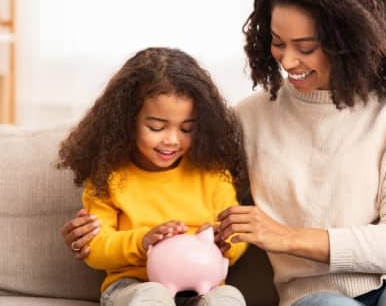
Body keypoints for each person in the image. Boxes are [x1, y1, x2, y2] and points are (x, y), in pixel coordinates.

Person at [62, 0, 386, 306]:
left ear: (349, 41)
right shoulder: (247, 120)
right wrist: (96, 232)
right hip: (313, 292)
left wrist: (285, 237)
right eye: (277, 43)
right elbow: (176, 174)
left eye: (305, 47)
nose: (288, 60)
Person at [57, 47, 247, 306]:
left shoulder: (212, 173)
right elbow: (95, 249)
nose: (172, 140)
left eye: (186, 128)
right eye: (156, 127)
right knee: (152, 296)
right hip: (135, 284)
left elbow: (237, 233)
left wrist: (223, 242)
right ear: (126, 121)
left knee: (230, 298)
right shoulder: (109, 176)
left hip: (205, 286)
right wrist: (143, 242)